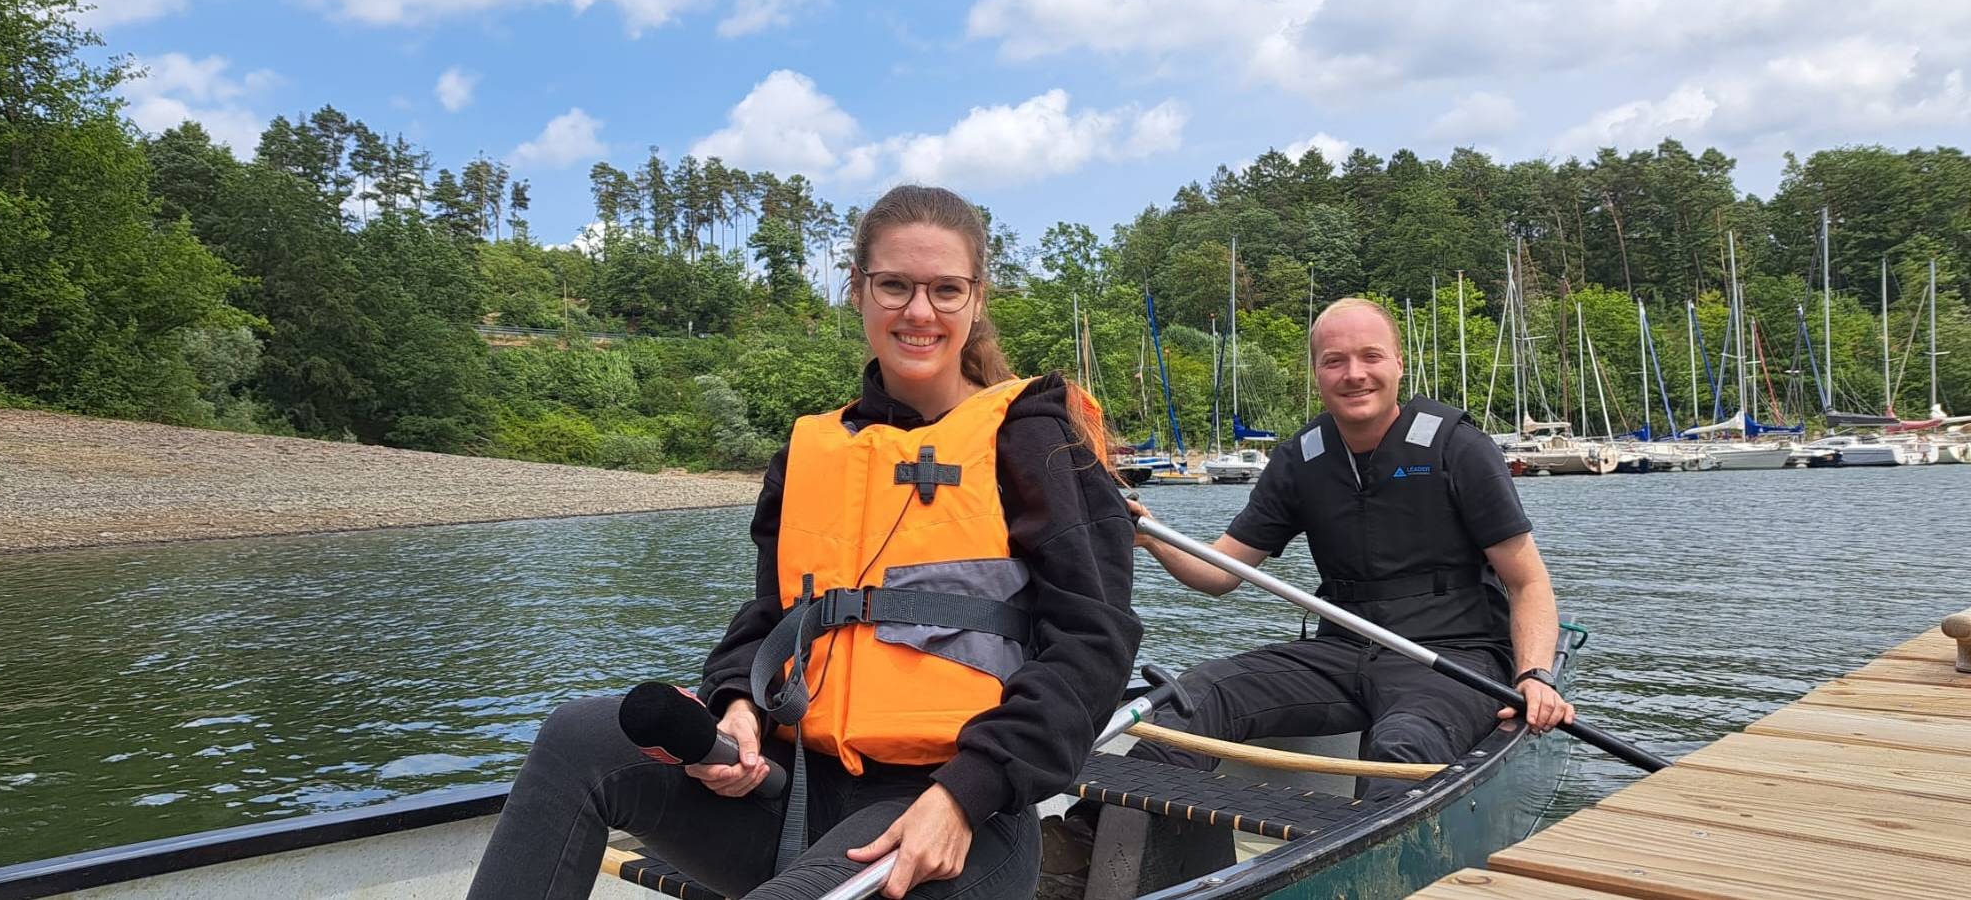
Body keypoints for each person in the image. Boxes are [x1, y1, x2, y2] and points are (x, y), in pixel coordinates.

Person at [468, 184, 1142, 900]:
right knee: (580, 738)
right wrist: (737, 706)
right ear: (856, 291)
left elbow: (1091, 648)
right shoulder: (811, 451)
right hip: (793, 798)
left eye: (946, 289)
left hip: (953, 819)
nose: (919, 312)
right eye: (894, 286)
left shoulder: (1033, 435)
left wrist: (963, 795)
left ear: (977, 299)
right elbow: (772, 616)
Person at [1043, 296, 1575, 884]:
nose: (1354, 374)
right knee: (1199, 693)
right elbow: (1221, 573)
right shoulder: (1302, 457)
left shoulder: (1458, 448)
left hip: (1453, 655)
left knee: (1404, 744)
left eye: (1370, 356)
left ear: (1399, 364)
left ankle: (1368, 877)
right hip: (1341, 649)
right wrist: (1148, 537)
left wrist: (1535, 676)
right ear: (1316, 372)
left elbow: (1527, 580)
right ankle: (1085, 844)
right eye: (1334, 361)